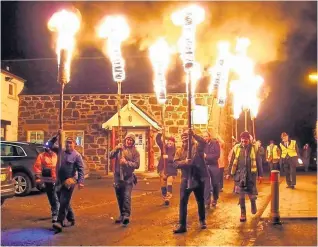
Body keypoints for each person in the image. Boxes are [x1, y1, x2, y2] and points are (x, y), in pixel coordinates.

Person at [173, 129, 207, 234]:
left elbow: (203, 142)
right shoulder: (179, 151)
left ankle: (202, 220)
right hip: (185, 178)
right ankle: (182, 224)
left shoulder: (197, 147)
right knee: (183, 202)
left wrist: (194, 134)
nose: (184, 142)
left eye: (186, 139)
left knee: (200, 200)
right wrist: (184, 162)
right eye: (183, 140)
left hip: (197, 177)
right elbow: (175, 163)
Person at [226, 131, 262, 222]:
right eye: (242, 141)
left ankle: (253, 203)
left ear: (249, 140)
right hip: (239, 175)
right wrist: (228, 173)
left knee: (251, 195)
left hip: (250, 175)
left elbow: (259, 162)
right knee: (241, 196)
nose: (243, 143)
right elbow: (232, 161)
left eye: (245, 141)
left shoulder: (254, 148)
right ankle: (243, 213)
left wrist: (260, 175)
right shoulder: (236, 148)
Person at [52, 137, 85, 232]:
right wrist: (56, 136)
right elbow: (50, 145)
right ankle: (71, 218)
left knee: (63, 201)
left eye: (71, 143)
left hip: (69, 181)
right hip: (59, 181)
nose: (68, 145)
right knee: (63, 201)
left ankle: (59, 222)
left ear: (74, 144)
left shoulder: (77, 155)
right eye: (67, 143)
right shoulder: (60, 150)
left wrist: (80, 181)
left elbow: (81, 169)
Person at [109, 133, 140, 226]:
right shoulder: (120, 148)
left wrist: (126, 163)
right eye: (128, 139)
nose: (129, 141)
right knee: (120, 197)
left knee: (126, 196)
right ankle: (122, 214)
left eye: (131, 140)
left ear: (133, 142)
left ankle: (126, 215)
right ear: (125, 140)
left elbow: (137, 165)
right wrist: (116, 149)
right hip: (118, 176)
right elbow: (110, 155)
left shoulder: (135, 152)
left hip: (128, 177)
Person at [33, 136, 59, 223]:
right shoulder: (42, 156)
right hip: (47, 178)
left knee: (56, 196)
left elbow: (52, 142)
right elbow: (37, 167)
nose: (47, 149)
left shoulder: (56, 154)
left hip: (57, 178)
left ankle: (56, 213)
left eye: (49, 147)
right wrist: (38, 178)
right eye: (46, 147)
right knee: (51, 196)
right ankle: (55, 212)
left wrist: (56, 136)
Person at [199, 131, 220, 209]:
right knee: (206, 184)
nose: (205, 138)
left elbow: (217, 155)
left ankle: (215, 198)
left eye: (206, 136)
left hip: (213, 165)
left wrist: (206, 156)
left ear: (209, 137)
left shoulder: (215, 143)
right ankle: (207, 201)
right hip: (205, 166)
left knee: (215, 184)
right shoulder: (202, 145)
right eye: (203, 137)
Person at [155, 132, 177, 205]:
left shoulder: (175, 150)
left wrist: (167, 157)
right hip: (163, 168)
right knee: (163, 184)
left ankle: (169, 195)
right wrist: (160, 133)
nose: (170, 143)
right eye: (169, 141)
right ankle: (165, 198)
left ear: (174, 143)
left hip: (171, 169)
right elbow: (158, 140)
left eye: (171, 142)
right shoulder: (164, 147)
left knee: (169, 181)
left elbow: (175, 158)